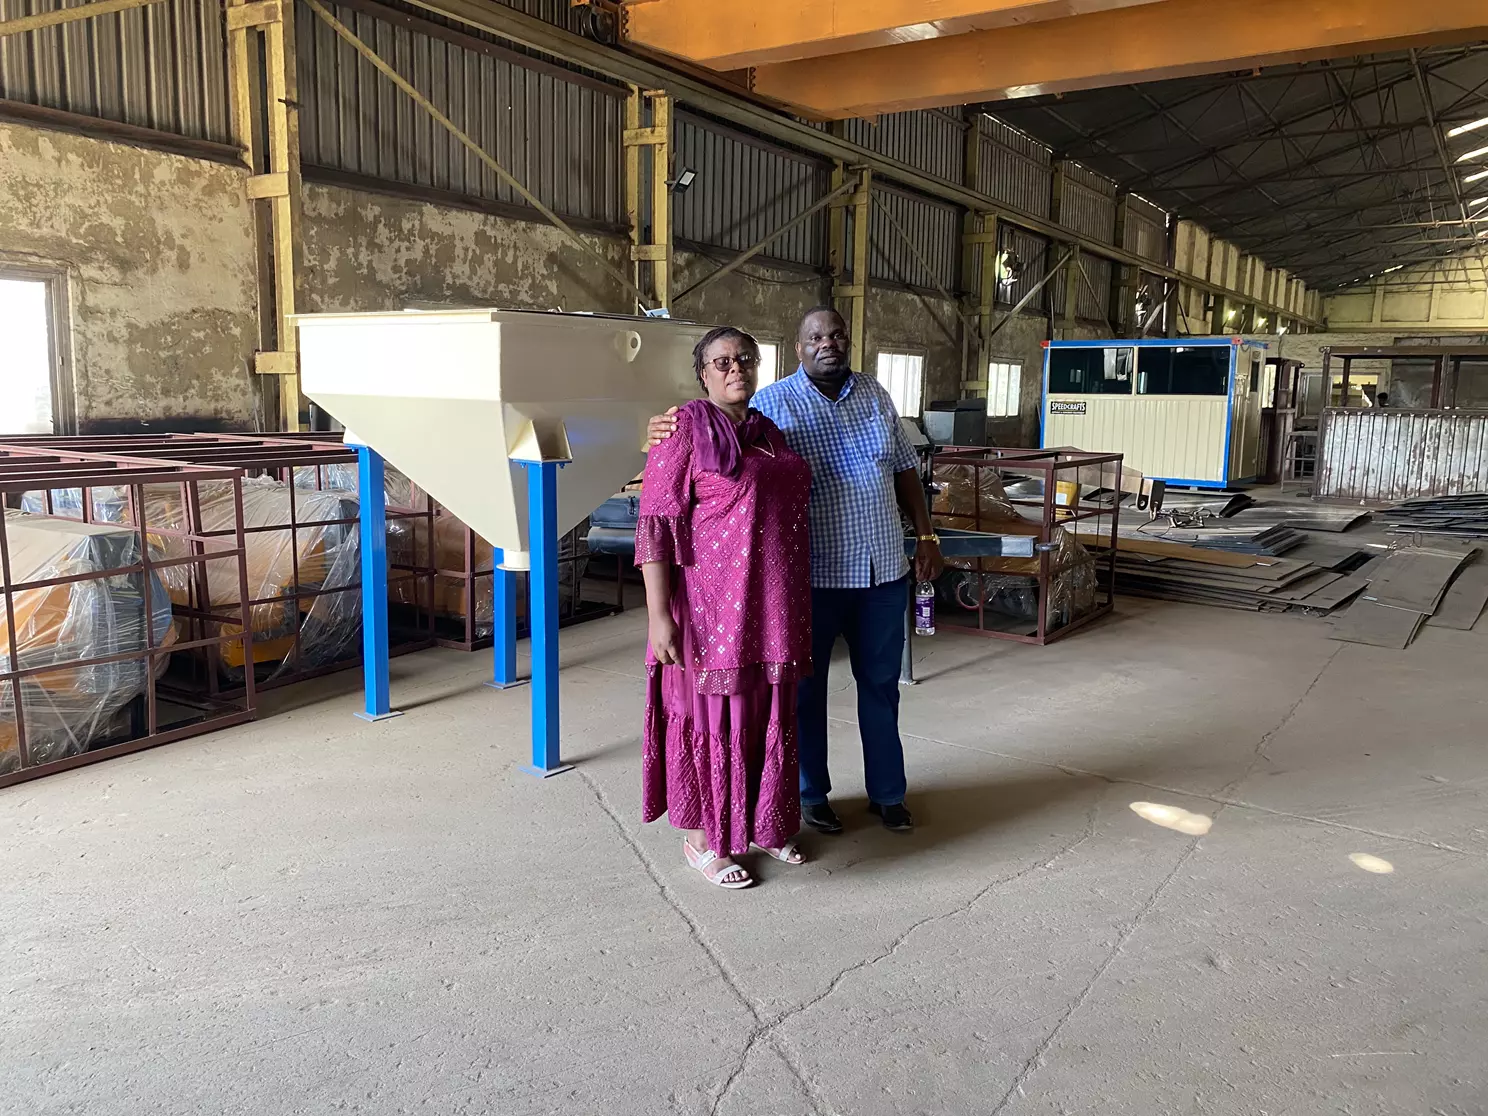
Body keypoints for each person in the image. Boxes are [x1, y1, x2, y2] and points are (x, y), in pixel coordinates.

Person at [648, 307, 943, 836]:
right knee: (802, 694)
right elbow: (708, 441)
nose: (827, 343)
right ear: (799, 346)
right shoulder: (772, 404)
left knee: (881, 687)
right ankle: (811, 796)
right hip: (811, 578)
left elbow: (904, 469)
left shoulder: (876, 396)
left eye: (836, 334)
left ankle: (888, 794)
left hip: (880, 570)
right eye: (815, 337)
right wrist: (655, 430)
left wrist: (926, 536)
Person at [637, 326, 814, 889]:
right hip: (711, 610)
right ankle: (703, 841)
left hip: (773, 606)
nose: (736, 368)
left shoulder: (768, 431)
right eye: (722, 362)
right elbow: (656, 525)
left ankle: (766, 823)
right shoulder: (682, 430)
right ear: (703, 374)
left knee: (765, 711)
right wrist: (659, 615)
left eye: (745, 359)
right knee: (716, 714)